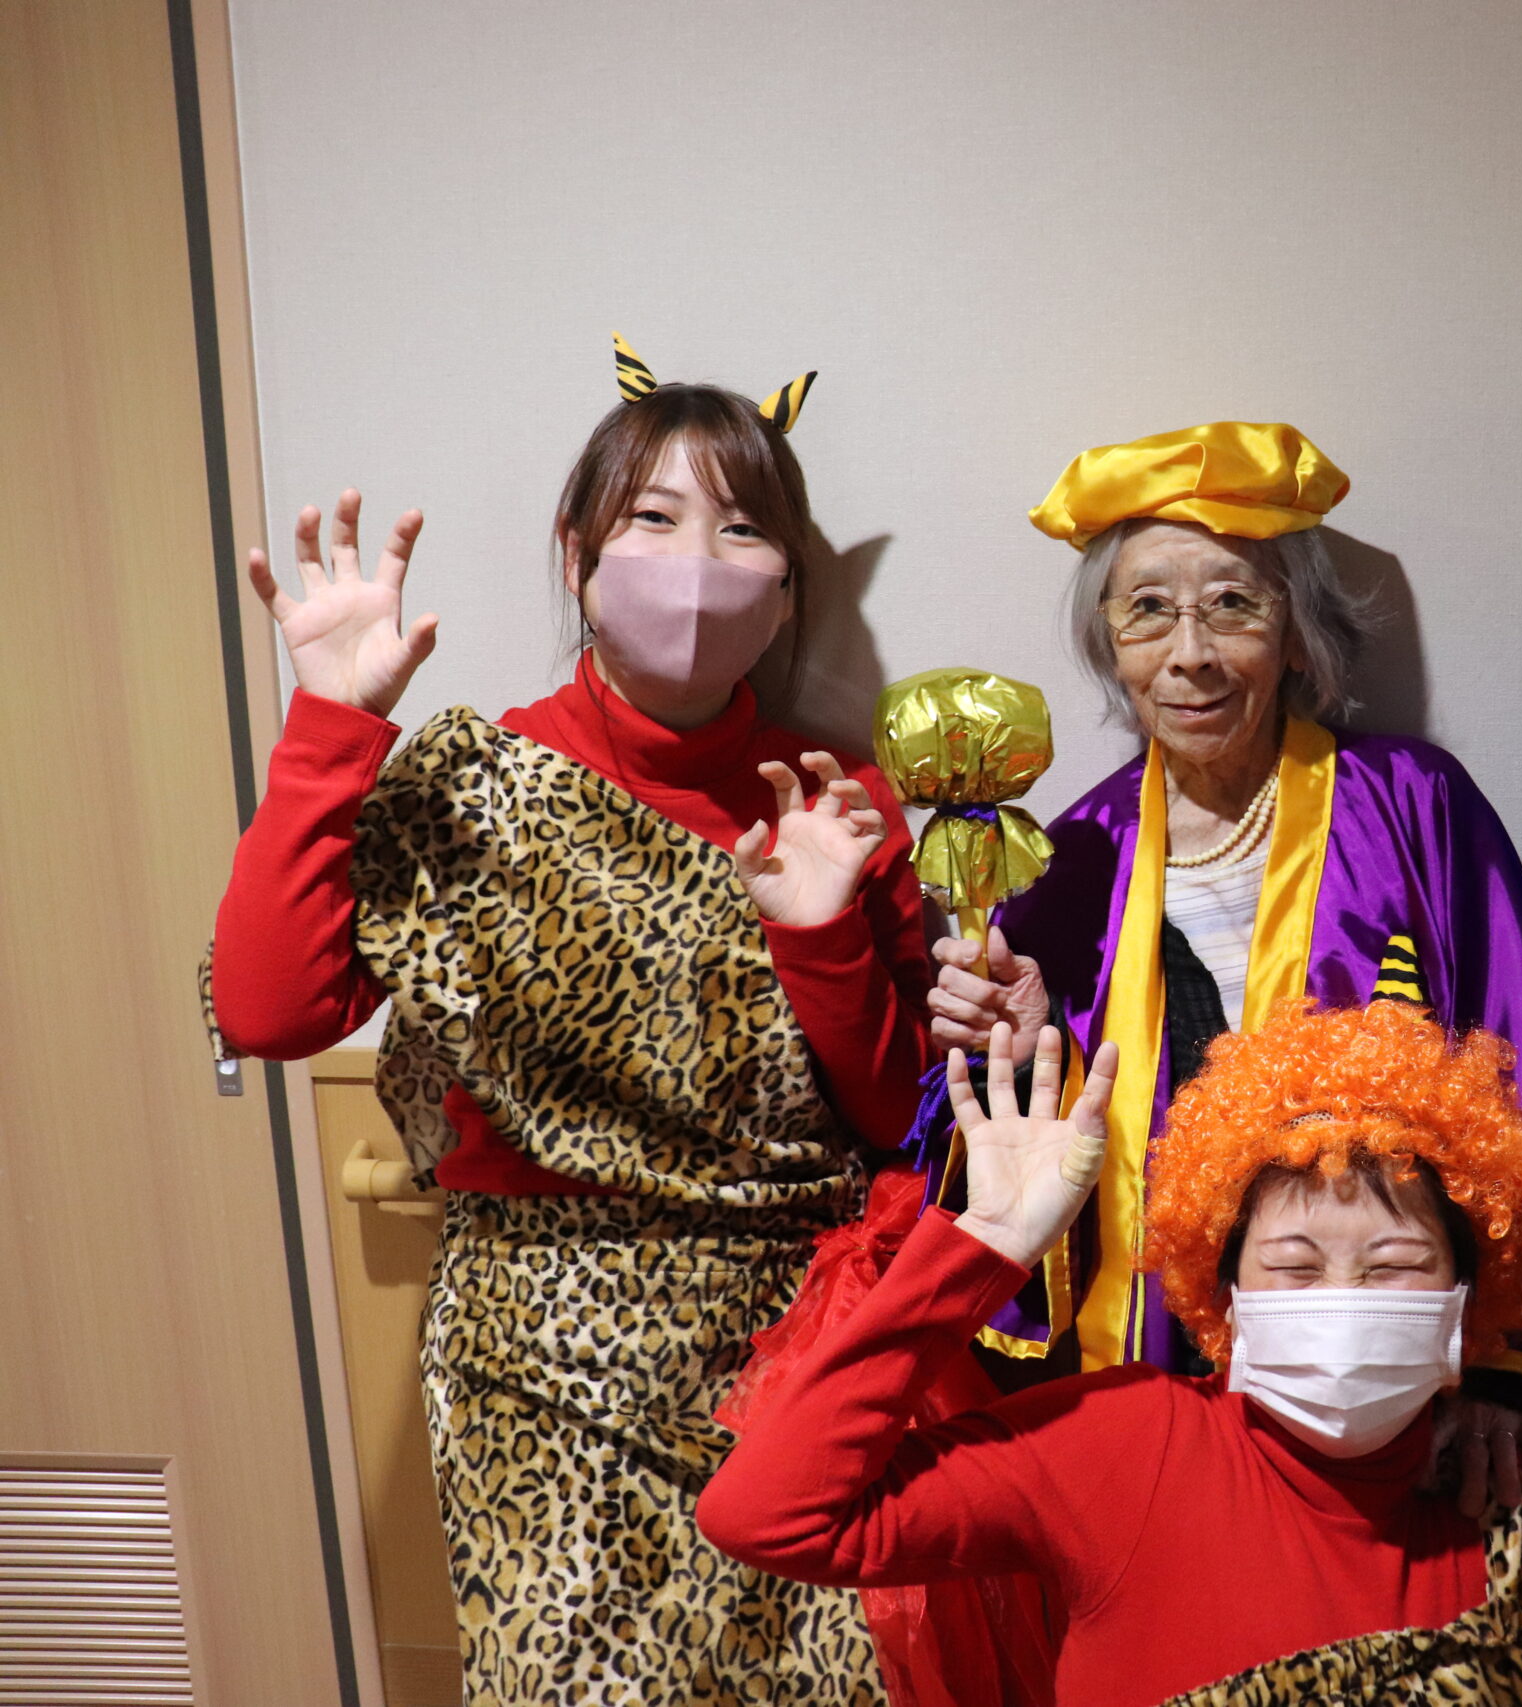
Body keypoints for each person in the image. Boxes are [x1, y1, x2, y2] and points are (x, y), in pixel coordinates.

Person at [205, 339, 931, 1703]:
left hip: (789, 1352)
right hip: (537, 1356)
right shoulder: (472, 781)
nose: (697, 563)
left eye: (743, 529)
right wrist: (329, 729)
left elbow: (898, 1111)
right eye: (653, 517)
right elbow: (268, 1009)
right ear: (578, 553)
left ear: (787, 591)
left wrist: (821, 929)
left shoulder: (836, 801)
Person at [698, 1002, 1522, 1707]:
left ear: (1463, 1300)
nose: (1343, 1297)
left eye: (1394, 1265)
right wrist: (980, 1247)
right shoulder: (1121, 1444)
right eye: (1294, 1264)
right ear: (1224, 1294)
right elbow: (768, 1515)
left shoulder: (1501, 1492)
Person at [922, 422, 1522, 1380]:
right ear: (1109, 642)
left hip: (1383, 1343)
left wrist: (1500, 1375)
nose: (1190, 653)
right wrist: (1020, 1053)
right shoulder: (1069, 860)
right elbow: (1021, 1172)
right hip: (1156, 1358)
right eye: (1148, 609)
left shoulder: (1416, 806)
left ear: (1297, 635)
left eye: (1234, 604)